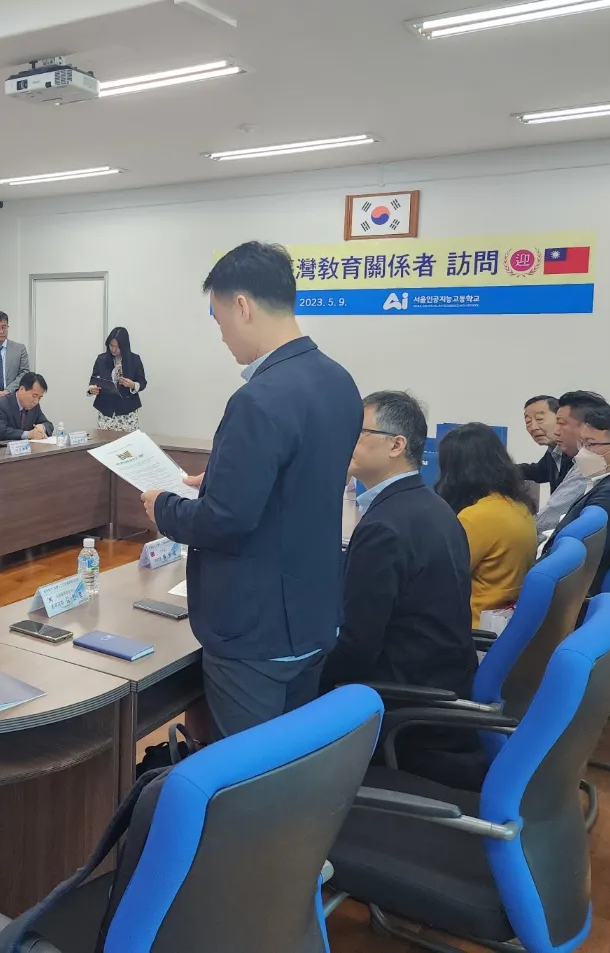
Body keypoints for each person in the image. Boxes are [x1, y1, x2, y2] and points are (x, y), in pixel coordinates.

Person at [141, 241, 361, 740]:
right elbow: (302, 478)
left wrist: (163, 507)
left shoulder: (258, 399)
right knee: (293, 757)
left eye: (219, 320)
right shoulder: (338, 382)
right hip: (312, 614)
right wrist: (223, 478)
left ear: (242, 306)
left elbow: (226, 521)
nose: (222, 337)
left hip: (255, 629)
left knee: (248, 771)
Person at [322, 391, 477, 698]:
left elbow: (357, 647)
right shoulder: (430, 505)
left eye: (358, 432)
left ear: (396, 445)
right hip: (441, 676)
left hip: (402, 691)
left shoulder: (384, 528)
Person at [436, 422, 539, 633]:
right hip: (500, 621)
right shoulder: (517, 506)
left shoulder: (477, 517)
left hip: (469, 628)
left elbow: (438, 580)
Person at [545, 405, 610, 593]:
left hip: (568, 588)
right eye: (582, 444)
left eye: (590, 444)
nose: (582, 452)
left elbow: (576, 559)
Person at [534, 390, 608, 538]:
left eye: (561, 424)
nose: (556, 432)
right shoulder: (579, 461)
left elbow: (542, 524)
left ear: (587, 427)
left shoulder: (591, 467)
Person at [87, 326, 147, 431]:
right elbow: (93, 380)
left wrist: (133, 385)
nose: (113, 349)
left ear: (124, 346)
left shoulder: (134, 359)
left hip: (127, 413)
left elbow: (142, 382)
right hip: (106, 412)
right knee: (105, 440)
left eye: (117, 347)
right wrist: (92, 389)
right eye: (111, 345)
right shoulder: (101, 359)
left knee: (128, 441)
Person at [519, 394, 570, 490]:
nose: (533, 427)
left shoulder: (577, 452)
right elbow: (538, 472)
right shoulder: (553, 450)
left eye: (539, 419)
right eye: (528, 422)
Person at [0, 372, 54, 441]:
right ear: (22, 389)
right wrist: (28, 434)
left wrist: (42, 427)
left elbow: (48, 425)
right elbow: (1, 432)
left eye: (39, 397)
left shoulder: (35, 406)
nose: (36, 401)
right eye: (34, 396)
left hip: (28, 447)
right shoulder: (0, 404)